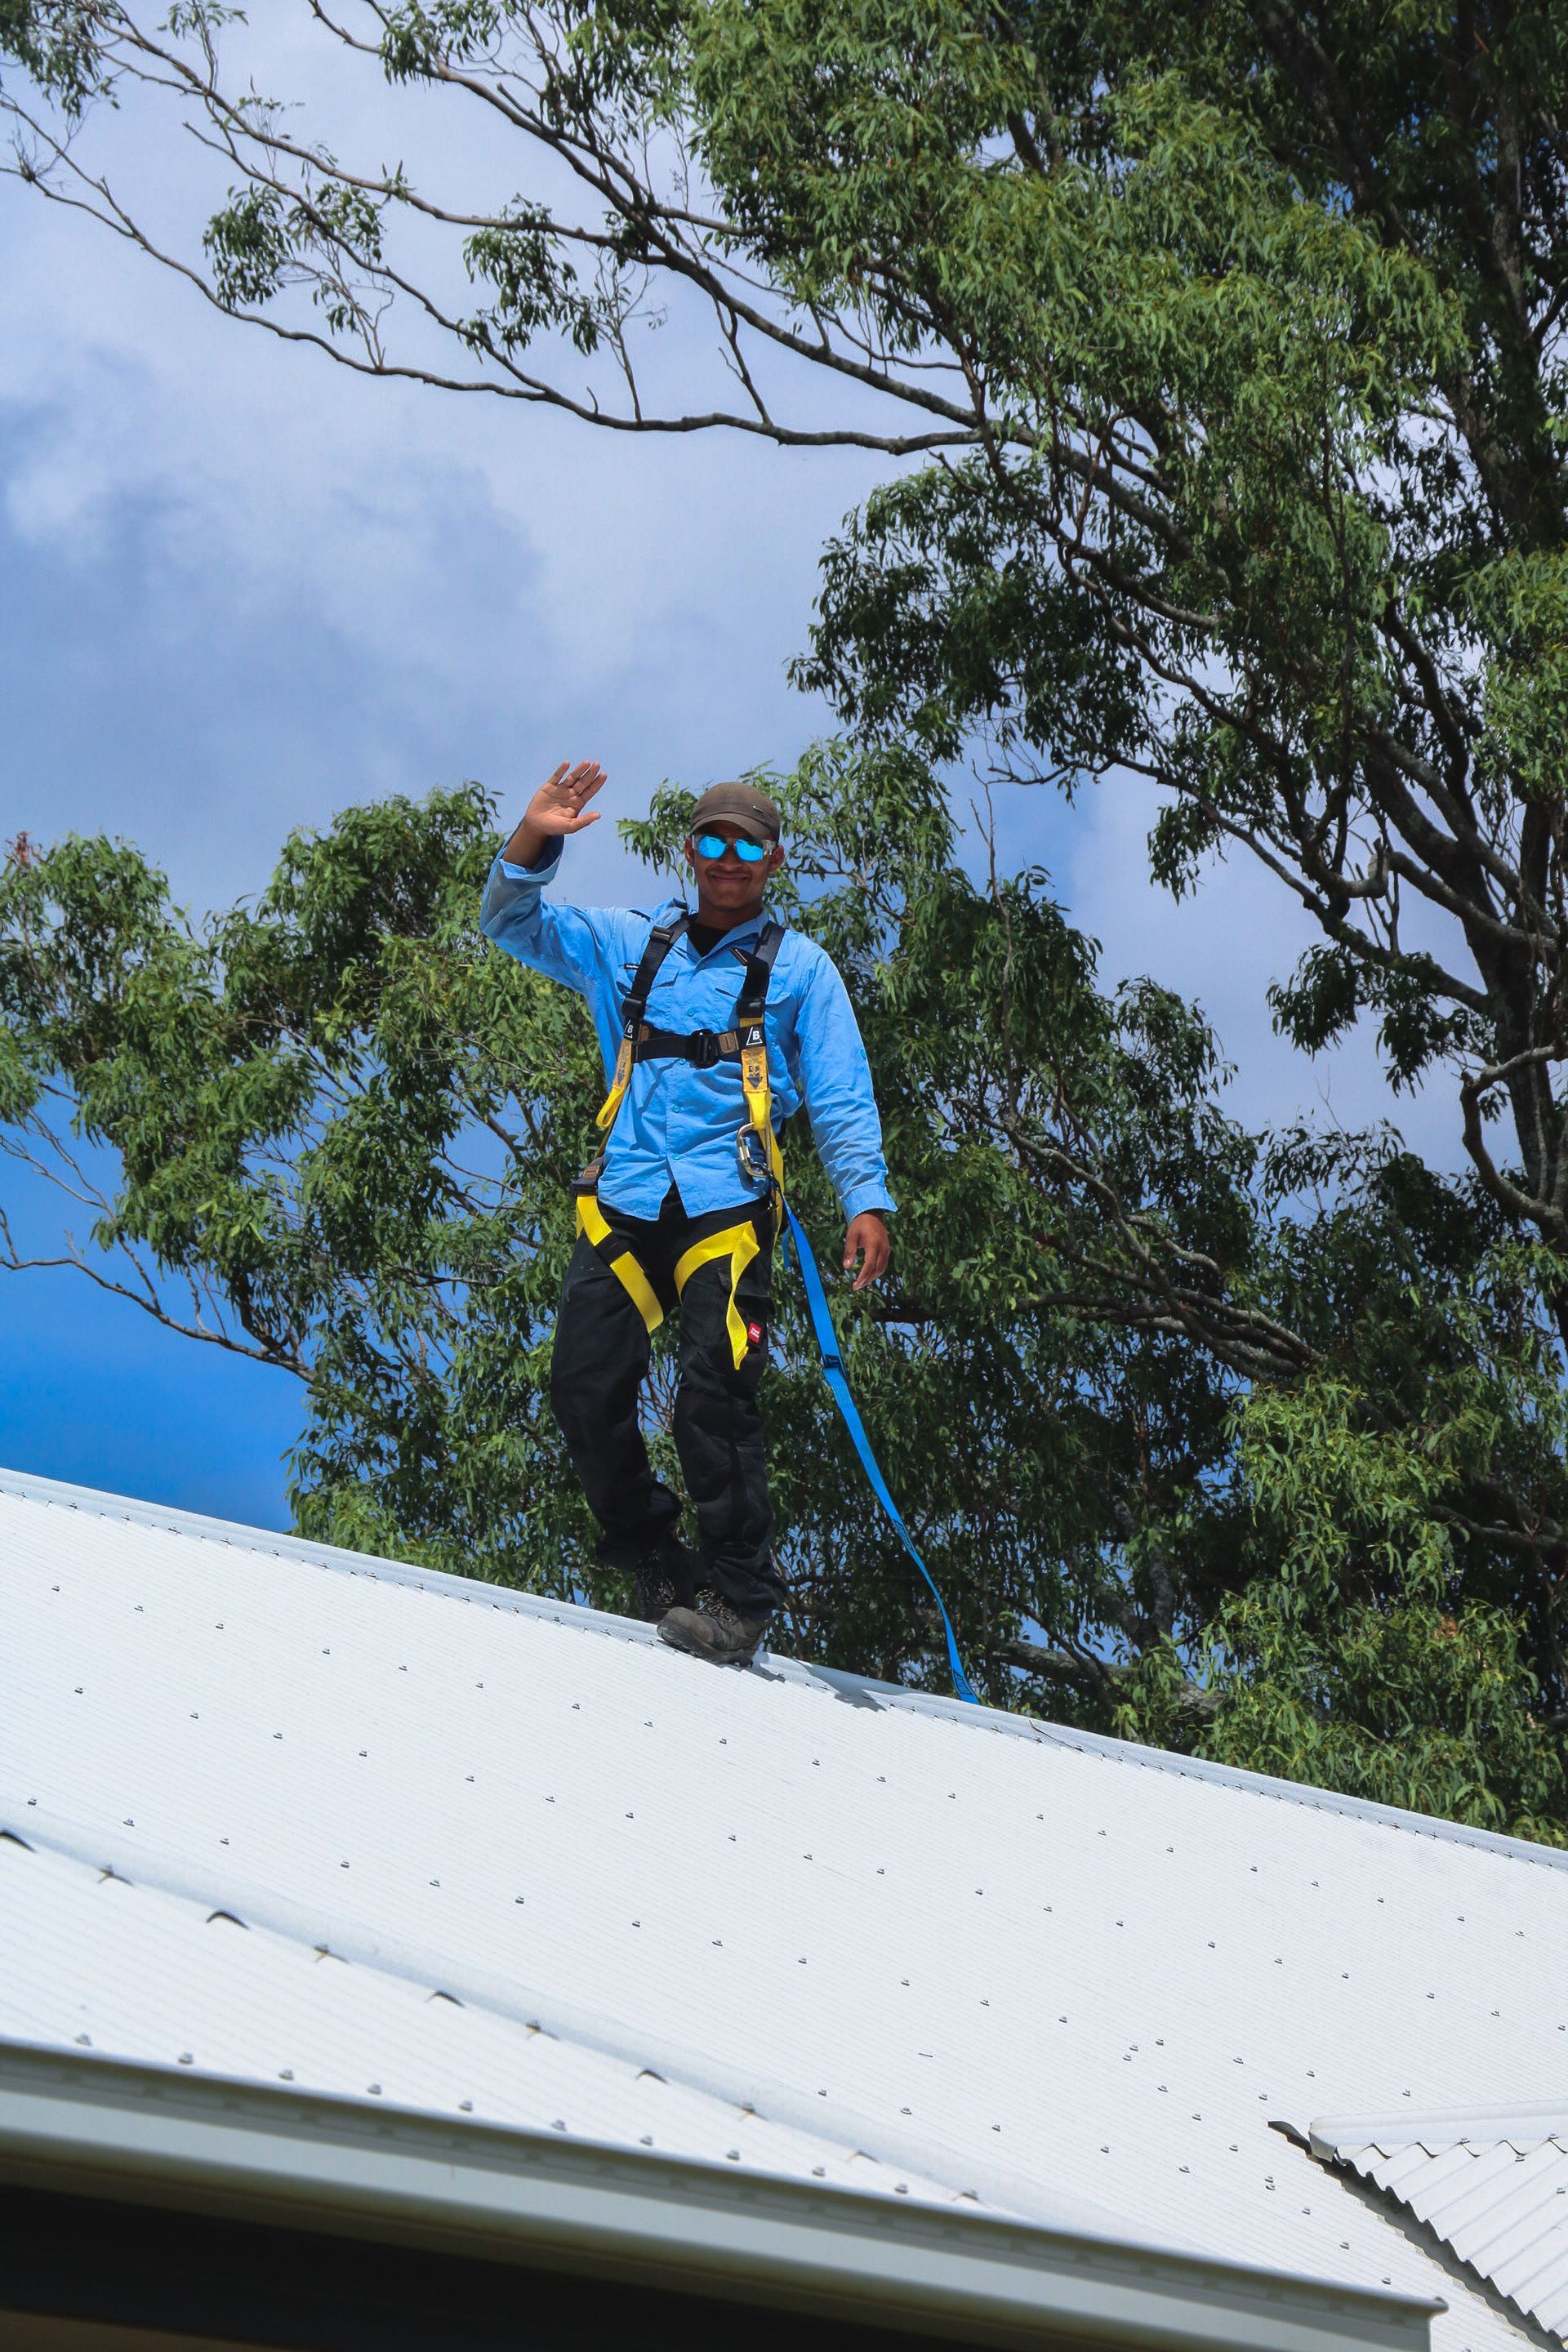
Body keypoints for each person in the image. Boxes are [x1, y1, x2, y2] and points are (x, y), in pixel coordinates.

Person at [481, 760, 895, 1668]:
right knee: (583, 1392)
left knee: (717, 1395)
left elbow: (840, 1092)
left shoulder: (803, 971)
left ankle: (741, 1598)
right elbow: (507, 921)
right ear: (689, 850)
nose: (728, 857)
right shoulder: (629, 943)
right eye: (712, 839)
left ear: (774, 860)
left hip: (730, 1217)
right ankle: (655, 1559)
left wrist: (866, 1200)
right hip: (625, 1206)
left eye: (748, 844)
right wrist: (536, 833)